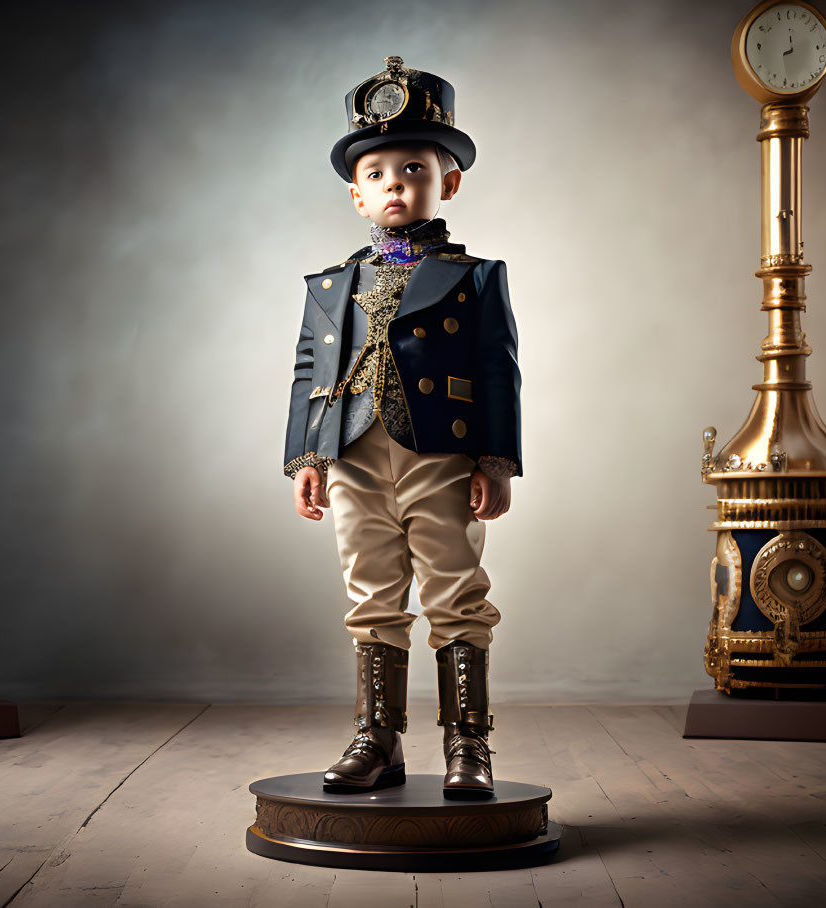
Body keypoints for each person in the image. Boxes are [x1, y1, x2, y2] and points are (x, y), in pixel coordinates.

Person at [283, 56, 521, 799]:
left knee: (454, 590)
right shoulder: (330, 284)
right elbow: (308, 373)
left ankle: (467, 744)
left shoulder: (474, 275)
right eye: (378, 172)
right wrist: (306, 457)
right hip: (353, 453)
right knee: (370, 593)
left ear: (446, 182)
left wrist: (496, 459)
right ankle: (376, 738)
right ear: (356, 194)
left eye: (413, 167)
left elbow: (496, 369)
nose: (395, 182)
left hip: (441, 453)